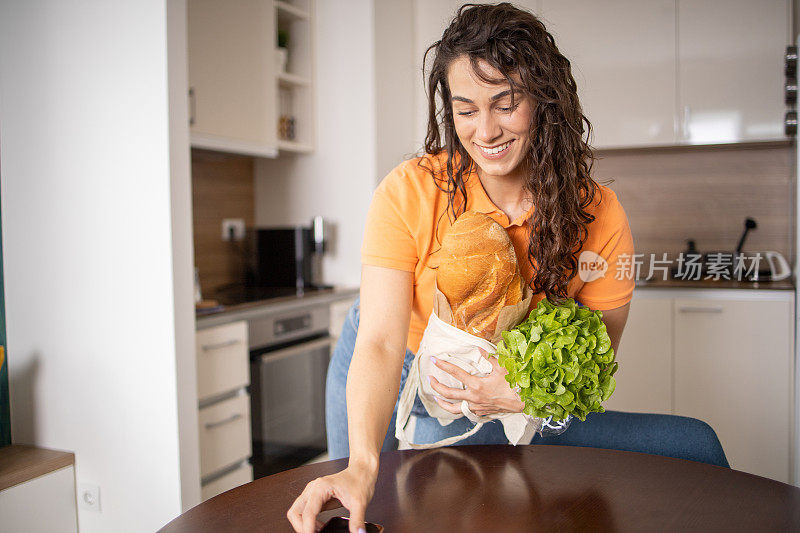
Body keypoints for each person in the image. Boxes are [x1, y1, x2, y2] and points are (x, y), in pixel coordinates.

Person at [287, 4, 727, 532]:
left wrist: (528, 392)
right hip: (394, 358)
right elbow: (378, 341)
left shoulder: (598, 214)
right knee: (361, 506)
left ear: (543, 98)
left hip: (497, 384)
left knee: (464, 510)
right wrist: (360, 465)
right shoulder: (411, 191)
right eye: (465, 109)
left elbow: (596, 356)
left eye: (505, 103)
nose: (486, 130)